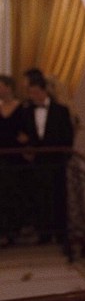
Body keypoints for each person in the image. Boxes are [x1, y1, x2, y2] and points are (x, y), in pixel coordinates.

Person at [20, 74, 75, 244]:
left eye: (36, 92)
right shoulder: (26, 111)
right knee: (40, 197)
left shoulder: (61, 110)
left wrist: (64, 156)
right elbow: (24, 134)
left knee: (59, 196)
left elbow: (68, 136)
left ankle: (61, 233)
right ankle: (44, 233)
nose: (33, 96)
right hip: (37, 162)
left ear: (44, 91)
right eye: (30, 93)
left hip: (56, 161)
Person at [0, 75, 27, 246]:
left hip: (16, 157)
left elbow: (25, 131)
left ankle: (14, 230)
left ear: (9, 87)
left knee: (14, 192)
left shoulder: (21, 108)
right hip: (1, 156)